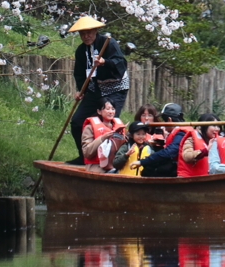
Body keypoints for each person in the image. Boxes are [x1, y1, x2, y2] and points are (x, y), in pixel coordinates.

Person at [67, 16, 129, 164]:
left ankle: (109, 160)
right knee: (77, 121)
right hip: (96, 88)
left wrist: (104, 62)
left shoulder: (108, 43)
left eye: (89, 32)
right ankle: (85, 156)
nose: (86, 36)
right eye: (82, 33)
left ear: (95, 31)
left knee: (108, 121)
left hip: (115, 87)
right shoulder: (81, 50)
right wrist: (81, 90)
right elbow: (80, 73)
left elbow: (120, 63)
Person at [130, 102, 189, 177]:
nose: (163, 124)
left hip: (185, 173)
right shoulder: (183, 130)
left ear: (169, 120)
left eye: (165, 121)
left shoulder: (181, 133)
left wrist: (143, 161)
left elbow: (170, 151)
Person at [81, 96, 125, 172]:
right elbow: (86, 152)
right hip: (96, 165)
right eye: (107, 109)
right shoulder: (89, 127)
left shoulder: (120, 126)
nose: (111, 112)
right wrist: (102, 138)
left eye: (113, 109)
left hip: (116, 164)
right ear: (99, 111)